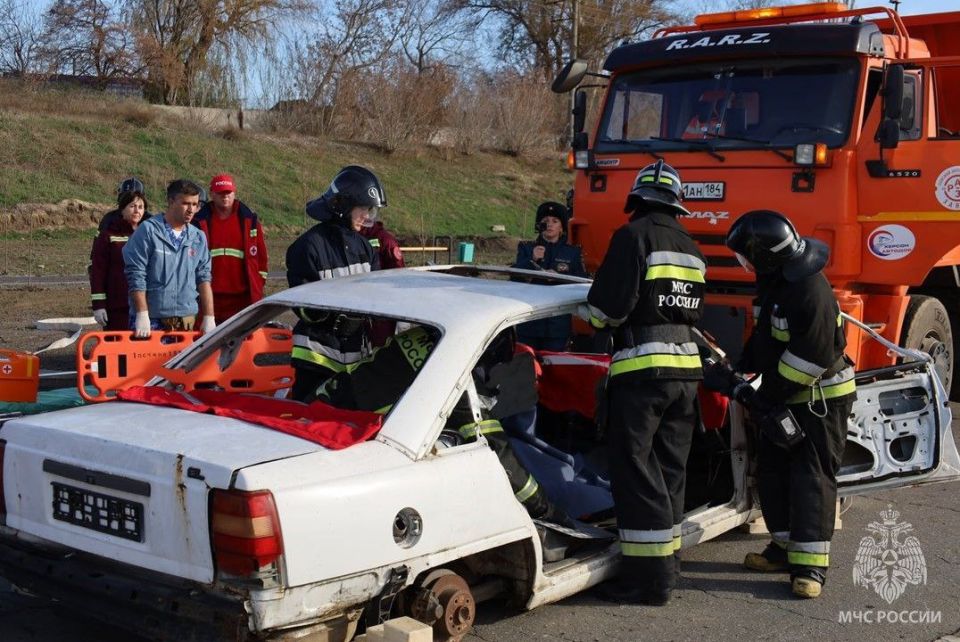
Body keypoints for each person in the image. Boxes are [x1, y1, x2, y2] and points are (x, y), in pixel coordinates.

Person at [715, 210, 855, 599]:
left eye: (746, 257)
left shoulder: (809, 291)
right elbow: (767, 340)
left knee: (810, 480)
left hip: (818, 402)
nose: (743, 265)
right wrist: (742, 368)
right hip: (787, 398)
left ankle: (810, 566)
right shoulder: (777, 283)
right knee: (774, 474)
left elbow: (809, 359)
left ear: (766, 256)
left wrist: (761, 396)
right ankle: (783, 549)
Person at [584, 160, 706, 606]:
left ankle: (647, 581)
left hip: (642, 372)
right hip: (686, 374)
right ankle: (667, 563)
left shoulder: (632, 236)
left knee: (637, 471)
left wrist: (590, 313)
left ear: (636, 200)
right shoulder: (692, 248)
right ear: (676, 203)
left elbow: (608, 309)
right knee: (671, 469)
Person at [316, 325, 570, 525]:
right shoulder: (460, 386)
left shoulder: (427, 336)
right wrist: (545, 509)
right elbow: (498, 452)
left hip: (318, 408)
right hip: (353, 446)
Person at [286, 166, 382, 400]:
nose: (367, 217)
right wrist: (339, 318)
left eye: (371, 211)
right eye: (363, 209)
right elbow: (303, 306)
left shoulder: (365, 248)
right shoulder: (308, 246)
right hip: (315, 355)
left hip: (354, 353)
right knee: (309, 418)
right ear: (343, 206)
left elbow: (379, 294)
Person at [123, 179, 214, 337]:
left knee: (183, 362)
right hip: (153, 320)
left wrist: (209, 316)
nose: (191, 210)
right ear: (171, 201)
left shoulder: (197, 237)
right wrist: (142, 313)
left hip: (186, 321)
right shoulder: (149, 231)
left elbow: (204, 278)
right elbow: (136, 273)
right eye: (186, 203)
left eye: (195, 204)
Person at [192, 173, 269, 322]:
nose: (225, 196)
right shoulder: (198, 222)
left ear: (234, 193)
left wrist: (258, 283)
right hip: (207, 298)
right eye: (220, 193)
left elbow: (262, 258)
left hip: (242, 300)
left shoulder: (249, 220)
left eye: (228, 192)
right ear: (212, 194)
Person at [513, 201, 587, 350]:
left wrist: (559, 278)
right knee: (526, 367)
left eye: (555, 221)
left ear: (562, 228)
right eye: (545, 221)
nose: (550, 225)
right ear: (539, 226)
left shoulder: (573, 252)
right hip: (529, 322)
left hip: (557, 326)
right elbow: (514, 278)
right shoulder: (526, 248)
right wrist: (532, 260)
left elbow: (582, 283)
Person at [89, 189, 148, 330]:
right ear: (122, 209)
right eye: (132, 206)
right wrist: (99, 305)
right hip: (117, 306)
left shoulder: (148, 235)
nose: (137, 211)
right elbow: (98, 272)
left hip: (145, 305)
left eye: (140, 207)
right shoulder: (108, 235)